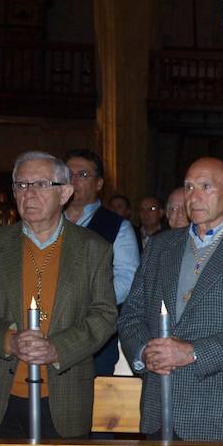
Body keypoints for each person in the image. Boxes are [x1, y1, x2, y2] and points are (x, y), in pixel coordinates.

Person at [0, 151, 117, 439]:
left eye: (41, 184)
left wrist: (58, 348)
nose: (29, 194)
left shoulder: (94, 249)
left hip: (64, 396)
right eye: (21, 185)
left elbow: (104, 316)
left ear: (65, 193)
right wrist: (10, 340)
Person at [118, 157, 223, 442]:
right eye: (189, 187)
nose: (194, 196)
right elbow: (132, 314)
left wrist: (192, 352)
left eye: (206, 186)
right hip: (159, 407)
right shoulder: (160, 246)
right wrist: (144, 352)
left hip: (220, 415)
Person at [63, 149, 140, 375]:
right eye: (69, 174)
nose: (74, 180)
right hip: (52, 327)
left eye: (82, 175)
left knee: (93, 402)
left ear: (98, 183)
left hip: (96, 331)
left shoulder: (117, 225)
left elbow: (128, 278)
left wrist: (87, 302)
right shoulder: (49, 220)